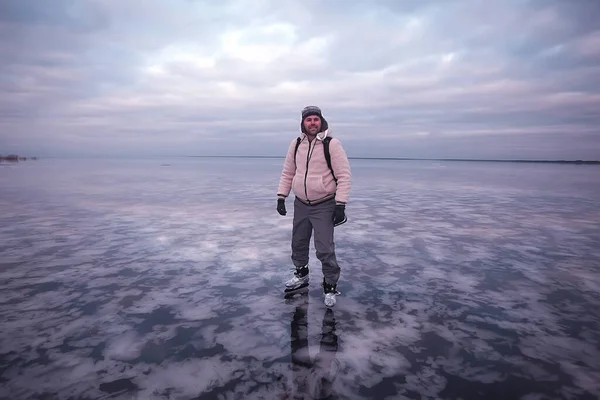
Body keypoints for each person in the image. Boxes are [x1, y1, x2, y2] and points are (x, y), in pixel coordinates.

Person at [276, 106, 352, 307]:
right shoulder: (296, 144)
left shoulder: (332, 145)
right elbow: (288, 172)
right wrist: (282, 196)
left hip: (324, 204)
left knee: (324, 248)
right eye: (308, 120)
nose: (312, 123)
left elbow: (344, 176)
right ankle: (301, 274)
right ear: (303, 123)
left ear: (321, 122)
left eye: (315, 119)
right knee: (298, 242)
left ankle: (330, 286)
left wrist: (340, 204)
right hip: (300, 203)